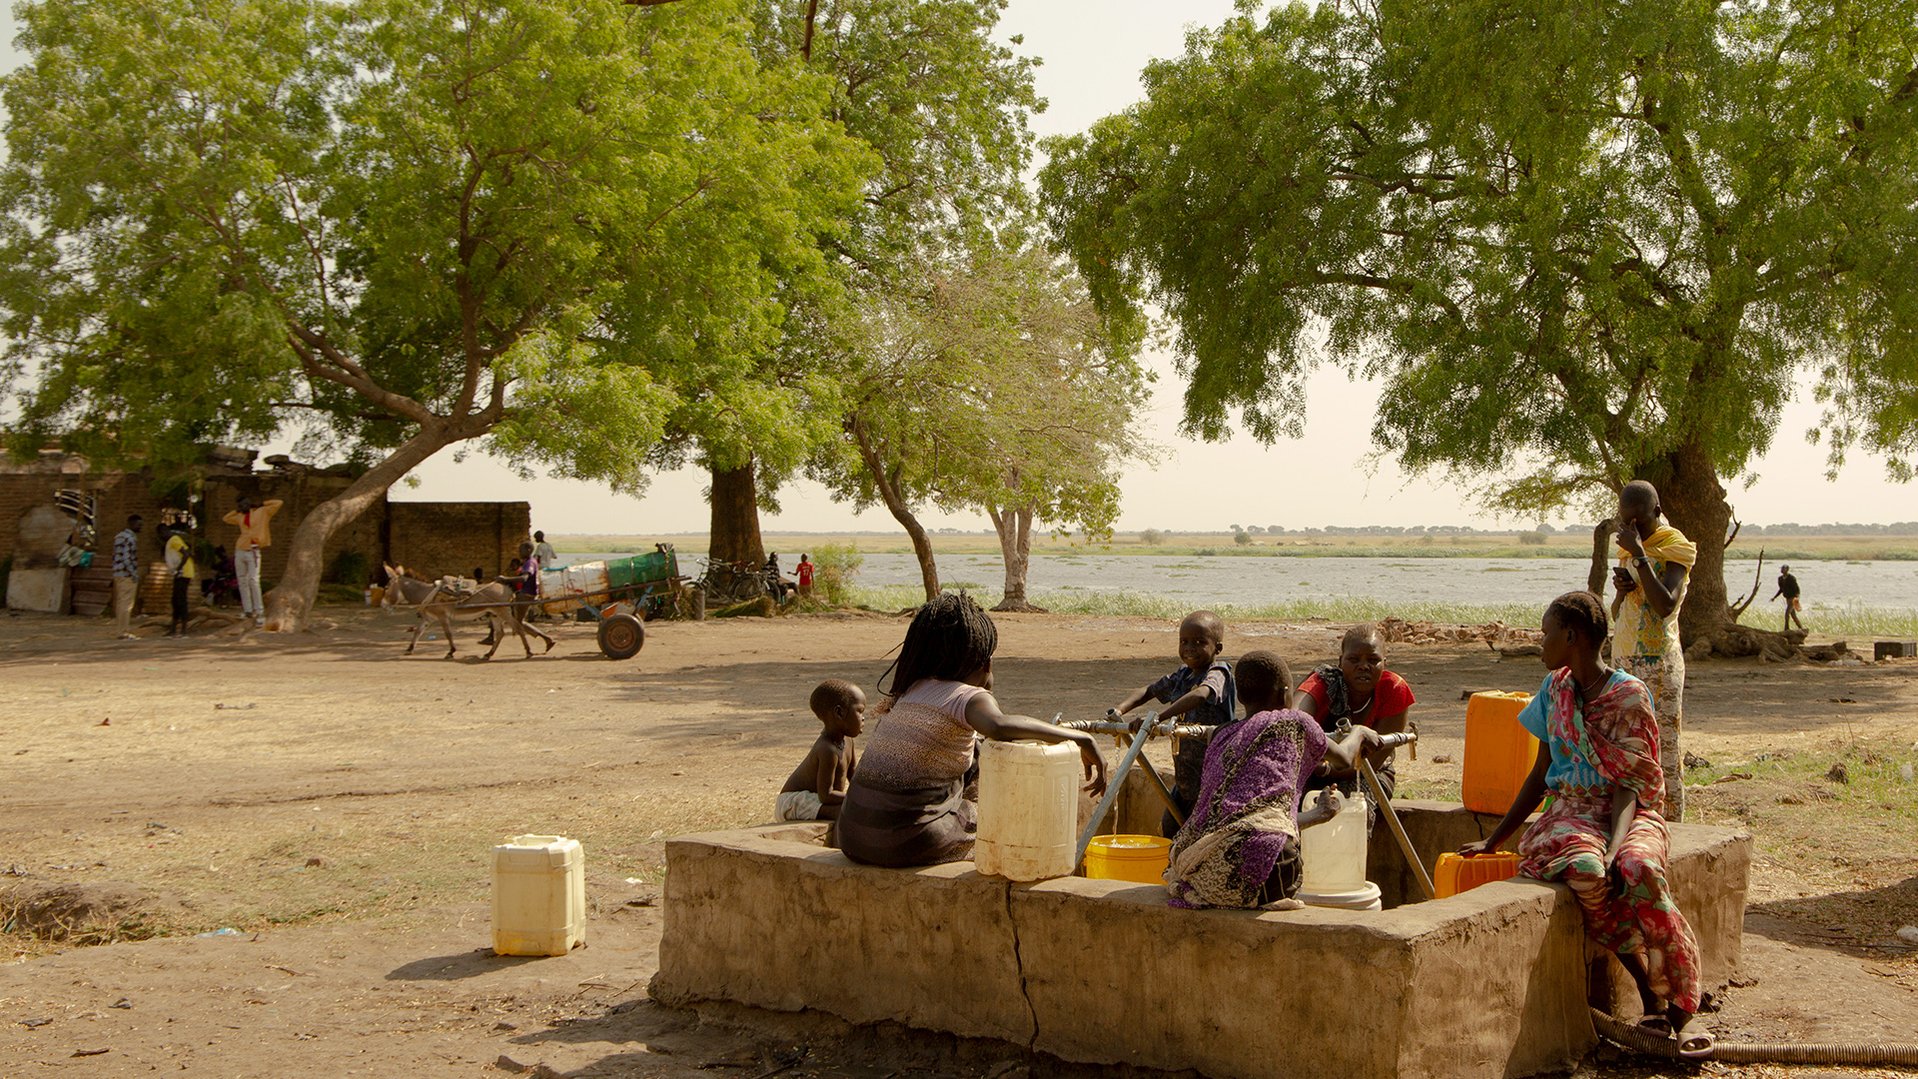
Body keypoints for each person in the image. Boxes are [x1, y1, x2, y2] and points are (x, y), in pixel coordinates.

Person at [1461, 591, 1709, 1057]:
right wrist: (1495, 840)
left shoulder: (1629, 695)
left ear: (1571, 636)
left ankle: (1683, 1002)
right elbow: (1541, 773)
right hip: (1570, 813)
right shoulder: (1554, 689)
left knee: (1637, 869)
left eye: (1546, 632)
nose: (1540, 641)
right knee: (1587, 871)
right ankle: (1650, 993)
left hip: (1629, 812)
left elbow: (1629, 785)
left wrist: (1617, 848)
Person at [834, 593, 1107, 867]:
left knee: (971, 749)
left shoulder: (911, 691)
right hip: (906, 843)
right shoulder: (969, 696)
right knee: (1007, 818)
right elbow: (998, 726)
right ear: (986, 662)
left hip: (850, 837)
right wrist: (1080, 737)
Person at [1166, 650, 1377, 909]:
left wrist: (1319, 813)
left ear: (1241, 696)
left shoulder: (1221, 735)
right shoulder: (1295, 721)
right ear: (1285, 693)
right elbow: (1344, 758)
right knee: (1277, 850)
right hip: (1260, 877)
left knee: (1261, 835)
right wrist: (1359, 732)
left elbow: (1247, 819)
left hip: (1198, 870)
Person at [1105, 610, 1235, 836]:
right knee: (1170, 829)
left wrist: (1159, 717)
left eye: (1199, 642)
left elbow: (1201, 695)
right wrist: (1120, 709)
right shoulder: (1183, 676)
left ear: (1217, 648)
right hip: (1185, 778)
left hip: (1213, 779)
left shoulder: (1219, 673)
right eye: (1184, 642)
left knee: (1204, 835)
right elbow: (1149, 691)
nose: (1189, 648)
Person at [1608, 480, 1694, 819]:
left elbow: (1665, 606)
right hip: (1624, 657)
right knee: (1626, 746)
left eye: (1639, 521)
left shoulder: (1675, 546)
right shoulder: (1630, 549)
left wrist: (1641, 556)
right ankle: (1634, 820)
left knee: (1664, 747)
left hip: (1659, 663)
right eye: (1625, 522)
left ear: (1657, 513)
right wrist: (1621, 589)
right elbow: (1621, 612)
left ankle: (1671, 822)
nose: (1632, 529)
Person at [1298, 623, 1415, 811]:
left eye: (1373, 660)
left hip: (1370, 774)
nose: (1363, 667)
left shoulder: (1393, 690)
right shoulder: (1323, 682)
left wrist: (1324, 769)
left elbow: (1371, 762)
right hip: (1310, 771)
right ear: (1340, 661)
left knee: (1354, 807)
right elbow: (1294, 722)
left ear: (1385, 662)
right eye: (1353, 659)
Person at [777, 679, 866, 822]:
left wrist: (868, 794)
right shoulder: (827, 749)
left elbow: (853, 773)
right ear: (839, 713)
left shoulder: (848, 741)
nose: (863, 718)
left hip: (817, 799)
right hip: (793, 801)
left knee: (860, 808)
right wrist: (857, 798)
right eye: (860, 711)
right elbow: (826, 795)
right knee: (848, 814)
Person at [223, 494, 283, 628]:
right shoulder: (240, 516)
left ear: (249, 503)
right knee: (242, 580)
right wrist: (236, 511)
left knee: (254, 580)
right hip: (240, 549)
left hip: (253, 550)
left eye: (244, 504)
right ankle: (247, 610)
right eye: (240, 505)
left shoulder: (262, 512)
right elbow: (226, 518)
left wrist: (263, 503)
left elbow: (278, 502)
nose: (242, 507)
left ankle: (259, 612)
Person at [111, 514, 143, 639]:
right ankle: (124, 631)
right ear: (132, 524)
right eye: (139, 525)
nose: (141, 528)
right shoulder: (130, 538)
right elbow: (127, 558)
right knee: (127, 604)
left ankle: (121, 629)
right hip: (126, 574)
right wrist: (134, 574)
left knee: (121, 603)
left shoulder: (119, 536)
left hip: (118, 573)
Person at [162, 524, 197, 638]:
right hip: (180, 574)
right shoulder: (173, 541)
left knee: (181, 601)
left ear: (164, 531)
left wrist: (178, 569)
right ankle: (173, 628)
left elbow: (186, 554)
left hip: (183, 573)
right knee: (175, 600)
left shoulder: (174, 540)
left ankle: (184, 630)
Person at [1771, 565, 1804, 632]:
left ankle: (1786, 628)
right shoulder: (1780, 579)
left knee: (1787, 613)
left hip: (1792, 598)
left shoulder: (1791, 578)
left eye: (1783, 568)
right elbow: (1781, 589)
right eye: (1781, 568)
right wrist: (1774, 597)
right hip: (1787, 598)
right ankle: (1801, 628)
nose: (1782, 570)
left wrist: (1797, 597)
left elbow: (1797, 588)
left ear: (1787, 570)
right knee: (1793, 615)